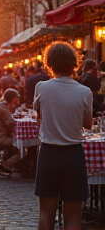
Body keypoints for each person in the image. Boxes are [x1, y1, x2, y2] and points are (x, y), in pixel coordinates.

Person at [33, 42, 92, 230]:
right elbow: (88, 124)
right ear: (74, 64)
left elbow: (39, 119)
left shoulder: (41, 87)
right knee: (74, 214)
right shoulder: (84, 92)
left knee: (46, 213)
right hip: (73, 154)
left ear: (49, 63)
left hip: (49, 153)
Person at [0, 88, 21, 172]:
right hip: (0, 137)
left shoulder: (2, 105)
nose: (17, 99)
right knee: (22, 145)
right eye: (16, 98)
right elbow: (10, 123)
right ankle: (7, 163)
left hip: (0, 135)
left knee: (18, 144)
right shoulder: (2, 107)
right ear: (12, 98)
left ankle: (12, 163)